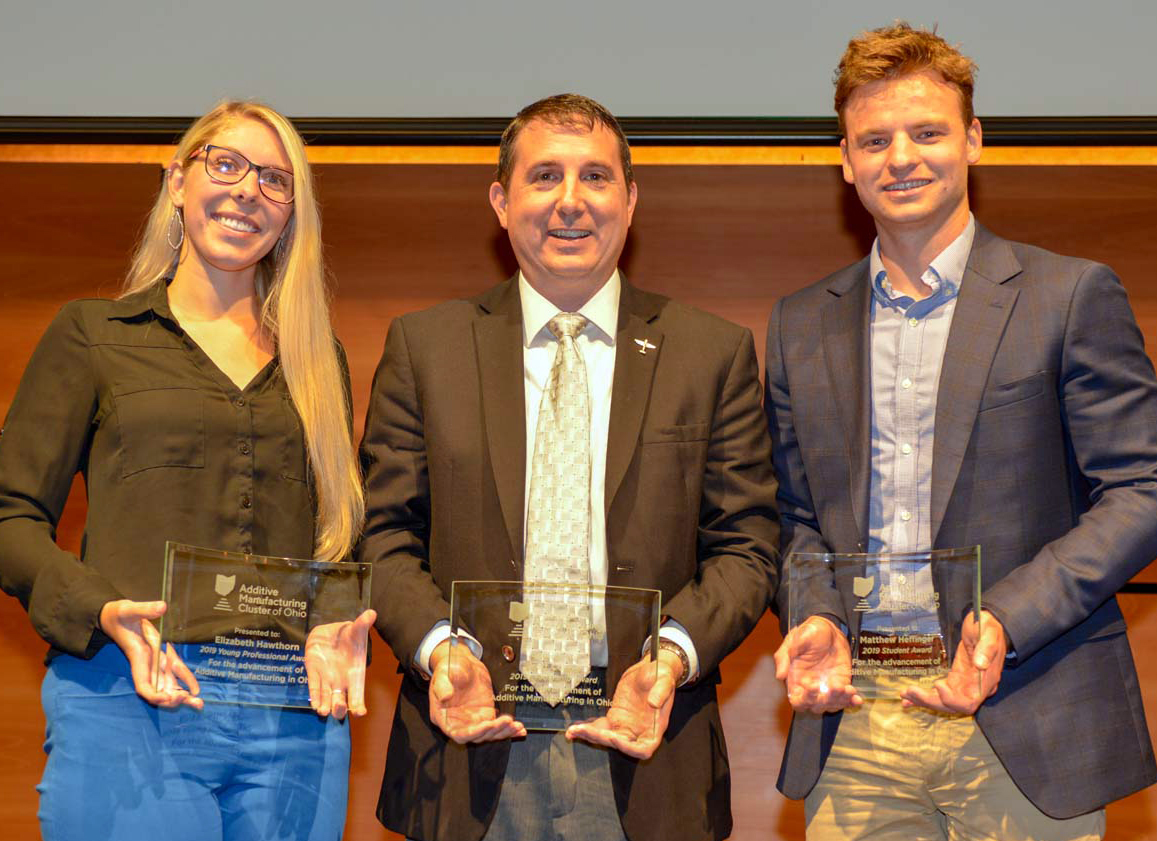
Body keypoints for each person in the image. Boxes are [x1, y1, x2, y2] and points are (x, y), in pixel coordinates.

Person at [765, 22, 1157, 841]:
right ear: (844, 161)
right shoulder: (801, 323)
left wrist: (1006, 616)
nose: (899, 156)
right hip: (856, 722)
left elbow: (1140, 490)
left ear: (972, 141)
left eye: (926, 132)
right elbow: (795, 517)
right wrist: (814, 615)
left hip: (1024, 705)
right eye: (873, 139)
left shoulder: (1068, 295)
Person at [358, 93, 779, 841]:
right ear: (501, 199)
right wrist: (438, 649)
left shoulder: (709, 353)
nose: (570, 201)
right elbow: (383, 538)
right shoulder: (426, 348)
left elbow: (746, 547)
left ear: (630, 199)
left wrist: (671, 658)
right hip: (466, 749)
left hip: (647, 749)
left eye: (595, 177)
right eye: (544, 176)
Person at [0, 100, 374, 841]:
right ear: (177, 180)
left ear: (292, 212)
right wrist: (101, 607)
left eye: (273, 180)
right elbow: (9, 513)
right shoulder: (92, 335)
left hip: (291, 719)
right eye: (224, 164)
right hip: (127, 700)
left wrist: (334, 619)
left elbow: (337, 537)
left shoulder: (318, 360)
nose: (245, 192)